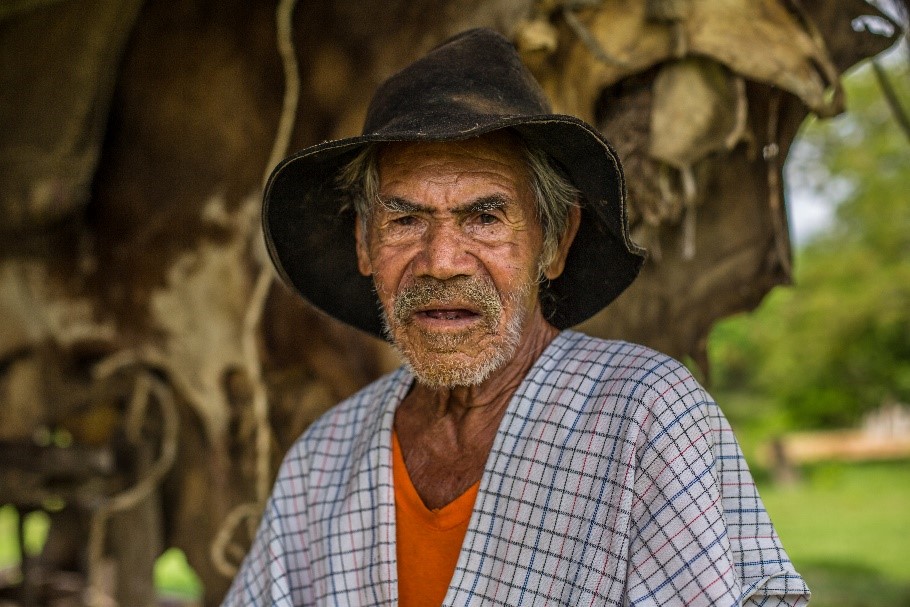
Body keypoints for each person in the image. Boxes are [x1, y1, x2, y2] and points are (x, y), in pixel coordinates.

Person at [222, 28, 809, 606]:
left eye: (485, 217)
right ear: (364, 245)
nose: (442, 263)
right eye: (404, 220)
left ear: (554, 242)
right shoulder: (325, 456)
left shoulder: (645, 416)